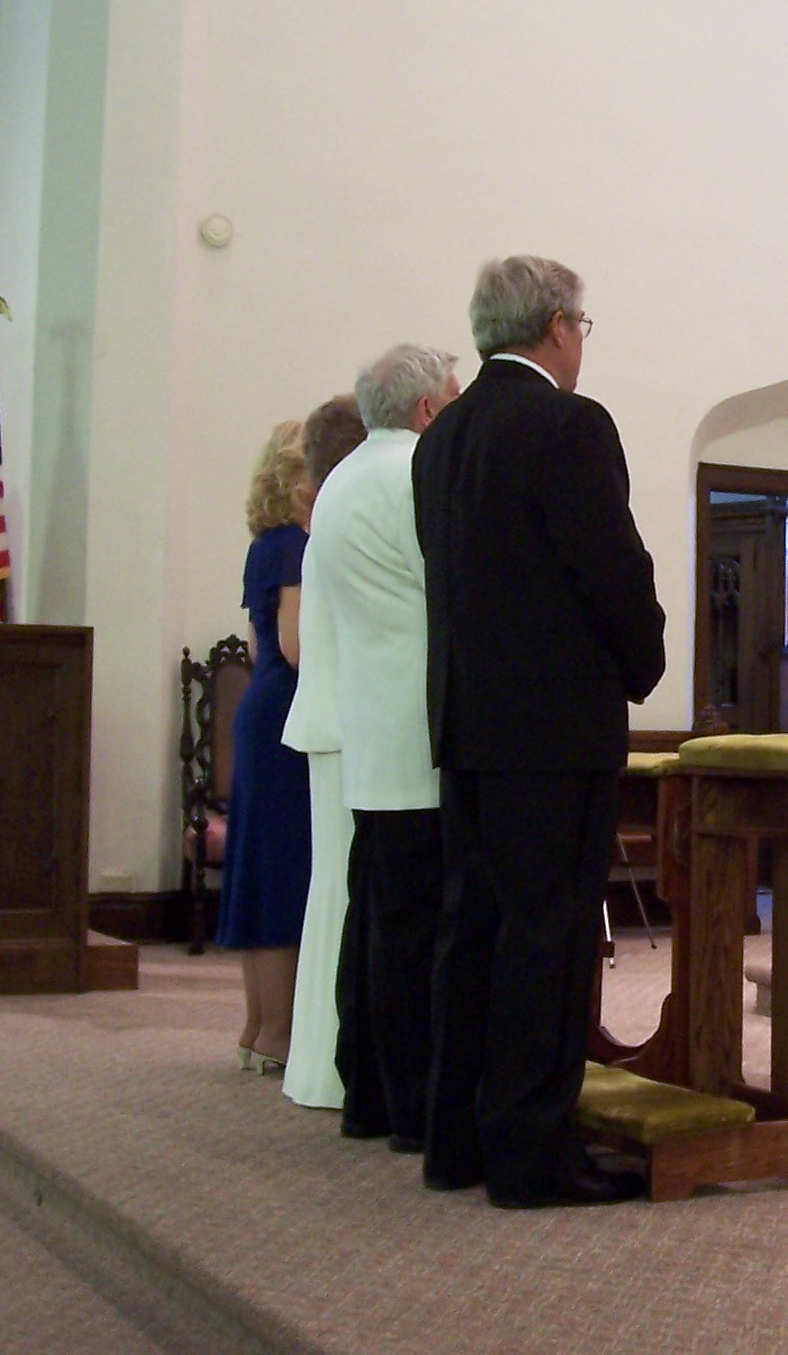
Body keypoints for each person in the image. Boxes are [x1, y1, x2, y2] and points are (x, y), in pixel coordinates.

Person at [413, 256, 664, 1208]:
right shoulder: (567, 423)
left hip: (467, 724)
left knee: (472, 930)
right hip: (552, 733)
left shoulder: (443, 436)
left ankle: (457, 1142)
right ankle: (530, 1157)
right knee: (547, 940)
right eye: (581, 327)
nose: (581, 343)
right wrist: (643, 664)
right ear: (557, 326)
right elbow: (612, 568)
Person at [305, 347, 461, 1150]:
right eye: (455, 399)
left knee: (373, 920)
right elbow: (451, 587)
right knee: (414, 932)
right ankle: (412, 1105)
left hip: (369, 726)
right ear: (428, 409)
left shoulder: (340, 479)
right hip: (415, 729)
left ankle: (367, 1092)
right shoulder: (415, 474)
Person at [278, 393, 370, 1111]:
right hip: (348, 727)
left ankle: (317, 1064)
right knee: (344, 896)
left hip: (330, 724)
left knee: (334, 894)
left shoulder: (325, 526)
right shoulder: (347, 523)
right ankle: (331, 1067)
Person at [220, 421, 315, 1074]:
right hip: (287, 715)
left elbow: (259, 649)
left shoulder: (264, 545)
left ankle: (258, 1028)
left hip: (261, 707)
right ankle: (280, 1032)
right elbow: (295, 646)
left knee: (260, 871)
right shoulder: (296, 548)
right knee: (284, 874)